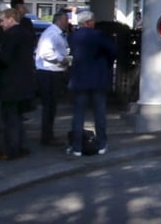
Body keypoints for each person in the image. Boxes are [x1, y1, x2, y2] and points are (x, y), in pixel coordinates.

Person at [68, 10, 117, 157]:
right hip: (98, 77)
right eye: (93, 20)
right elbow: (113, 51)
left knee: (78, 114)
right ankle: (101, 144)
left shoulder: (73, 37)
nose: (95, 22)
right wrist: (106, 63)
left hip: (80, 78)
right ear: (89, 22)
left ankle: (76, 147)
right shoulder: (98, 35)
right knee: (99, 113)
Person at [0, 8, 37, 160]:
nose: (0, 24)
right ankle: (22, 146)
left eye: (2, 20)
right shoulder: (26, 33)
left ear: (10, 19)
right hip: (24, 82)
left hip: (10, 83)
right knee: (17, 117)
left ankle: (12, 150)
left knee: (10, 118)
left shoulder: (11, 35)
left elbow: (5, 59)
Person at [35, 9, 71, 146]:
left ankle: (48, 134)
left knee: (51, 106)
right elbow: (46, 53)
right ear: (59, 20)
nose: (67, 23)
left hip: (52, 71)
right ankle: (46, 135)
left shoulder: (57, 33)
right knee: (49, 106)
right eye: (66, 20)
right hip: (49, 72)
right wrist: (61, 60)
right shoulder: (52, 33)